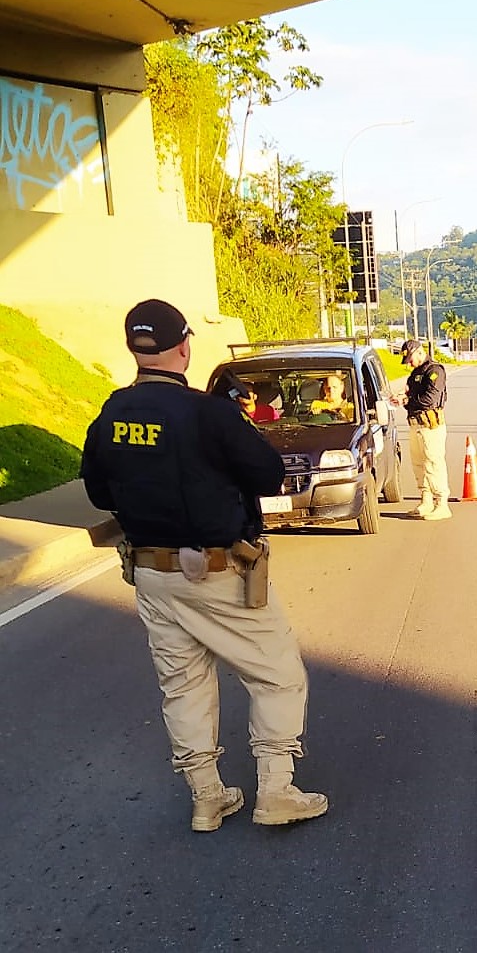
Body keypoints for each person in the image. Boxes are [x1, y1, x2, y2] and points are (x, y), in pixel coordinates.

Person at [80, 299, 328, 832]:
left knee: (184, 683)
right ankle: (277, 791)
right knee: (277, 674)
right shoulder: (207, 412)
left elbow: (100, 491)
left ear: (133, 349)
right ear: (185, 345)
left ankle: (207, 796)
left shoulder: (113, 412)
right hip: (218, 571)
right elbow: (265, 475)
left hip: (150, 572)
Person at [391, 339, 450, 520]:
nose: (409, 363)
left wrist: (408, 400)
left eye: (411, 359)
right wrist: (402, 398)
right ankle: (426, 500)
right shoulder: (415, 374)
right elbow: (411, 395)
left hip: (430, 426)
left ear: (419, 352)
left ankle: (442, 503)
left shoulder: (435, 371)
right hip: (415, 424)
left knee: (433, 463)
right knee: (418, 465)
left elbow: (429, 399)